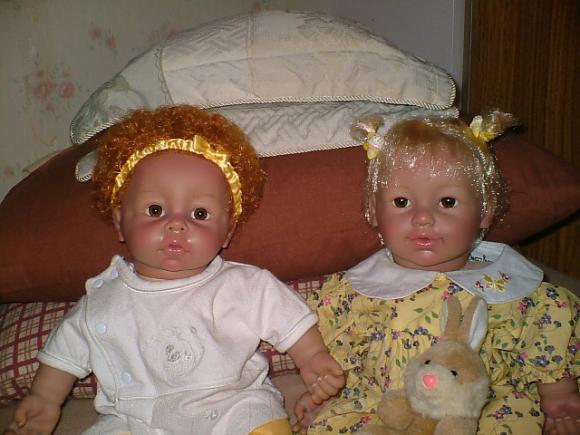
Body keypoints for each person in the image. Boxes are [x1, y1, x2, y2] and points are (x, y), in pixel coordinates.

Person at [6, 105, 344, 435]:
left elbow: (290, 321)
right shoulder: (103, 301)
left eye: (199, 214)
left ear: (226, 233)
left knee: (262, 424)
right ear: (120, 222)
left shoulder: (243, 285)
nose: (176, 225)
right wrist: (44, 399)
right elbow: (64, 353)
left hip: (233, 405)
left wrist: (313, 358)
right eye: (155, 210)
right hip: (139, 418)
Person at [293, 111, 580, 435]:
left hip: (482, 407)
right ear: (373, 210)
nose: (423, 218)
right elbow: (331, 356)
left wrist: (559, 395)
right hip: (384, 405)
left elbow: (547, 337)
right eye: (402, 201)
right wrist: (323, 391)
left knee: (513, 423)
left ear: (485, 211)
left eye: (447, 201)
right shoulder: (358, 290)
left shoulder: (510, 286)